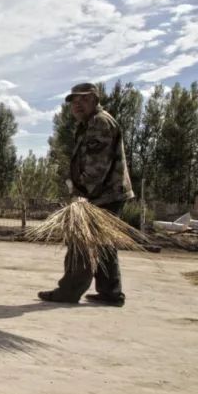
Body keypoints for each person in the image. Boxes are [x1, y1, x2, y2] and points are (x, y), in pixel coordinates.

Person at [38, 83, 135, 306]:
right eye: (74, 101)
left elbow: (97, 166)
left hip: (101, 194)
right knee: (104, 244)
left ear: (94, 99)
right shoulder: (89, 124)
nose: (77, 105)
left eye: (83, 100)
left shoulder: (99, 123)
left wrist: (81, 194)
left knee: (80, 242)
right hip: (108, 194)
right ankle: (111, 293)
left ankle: (69, 291)